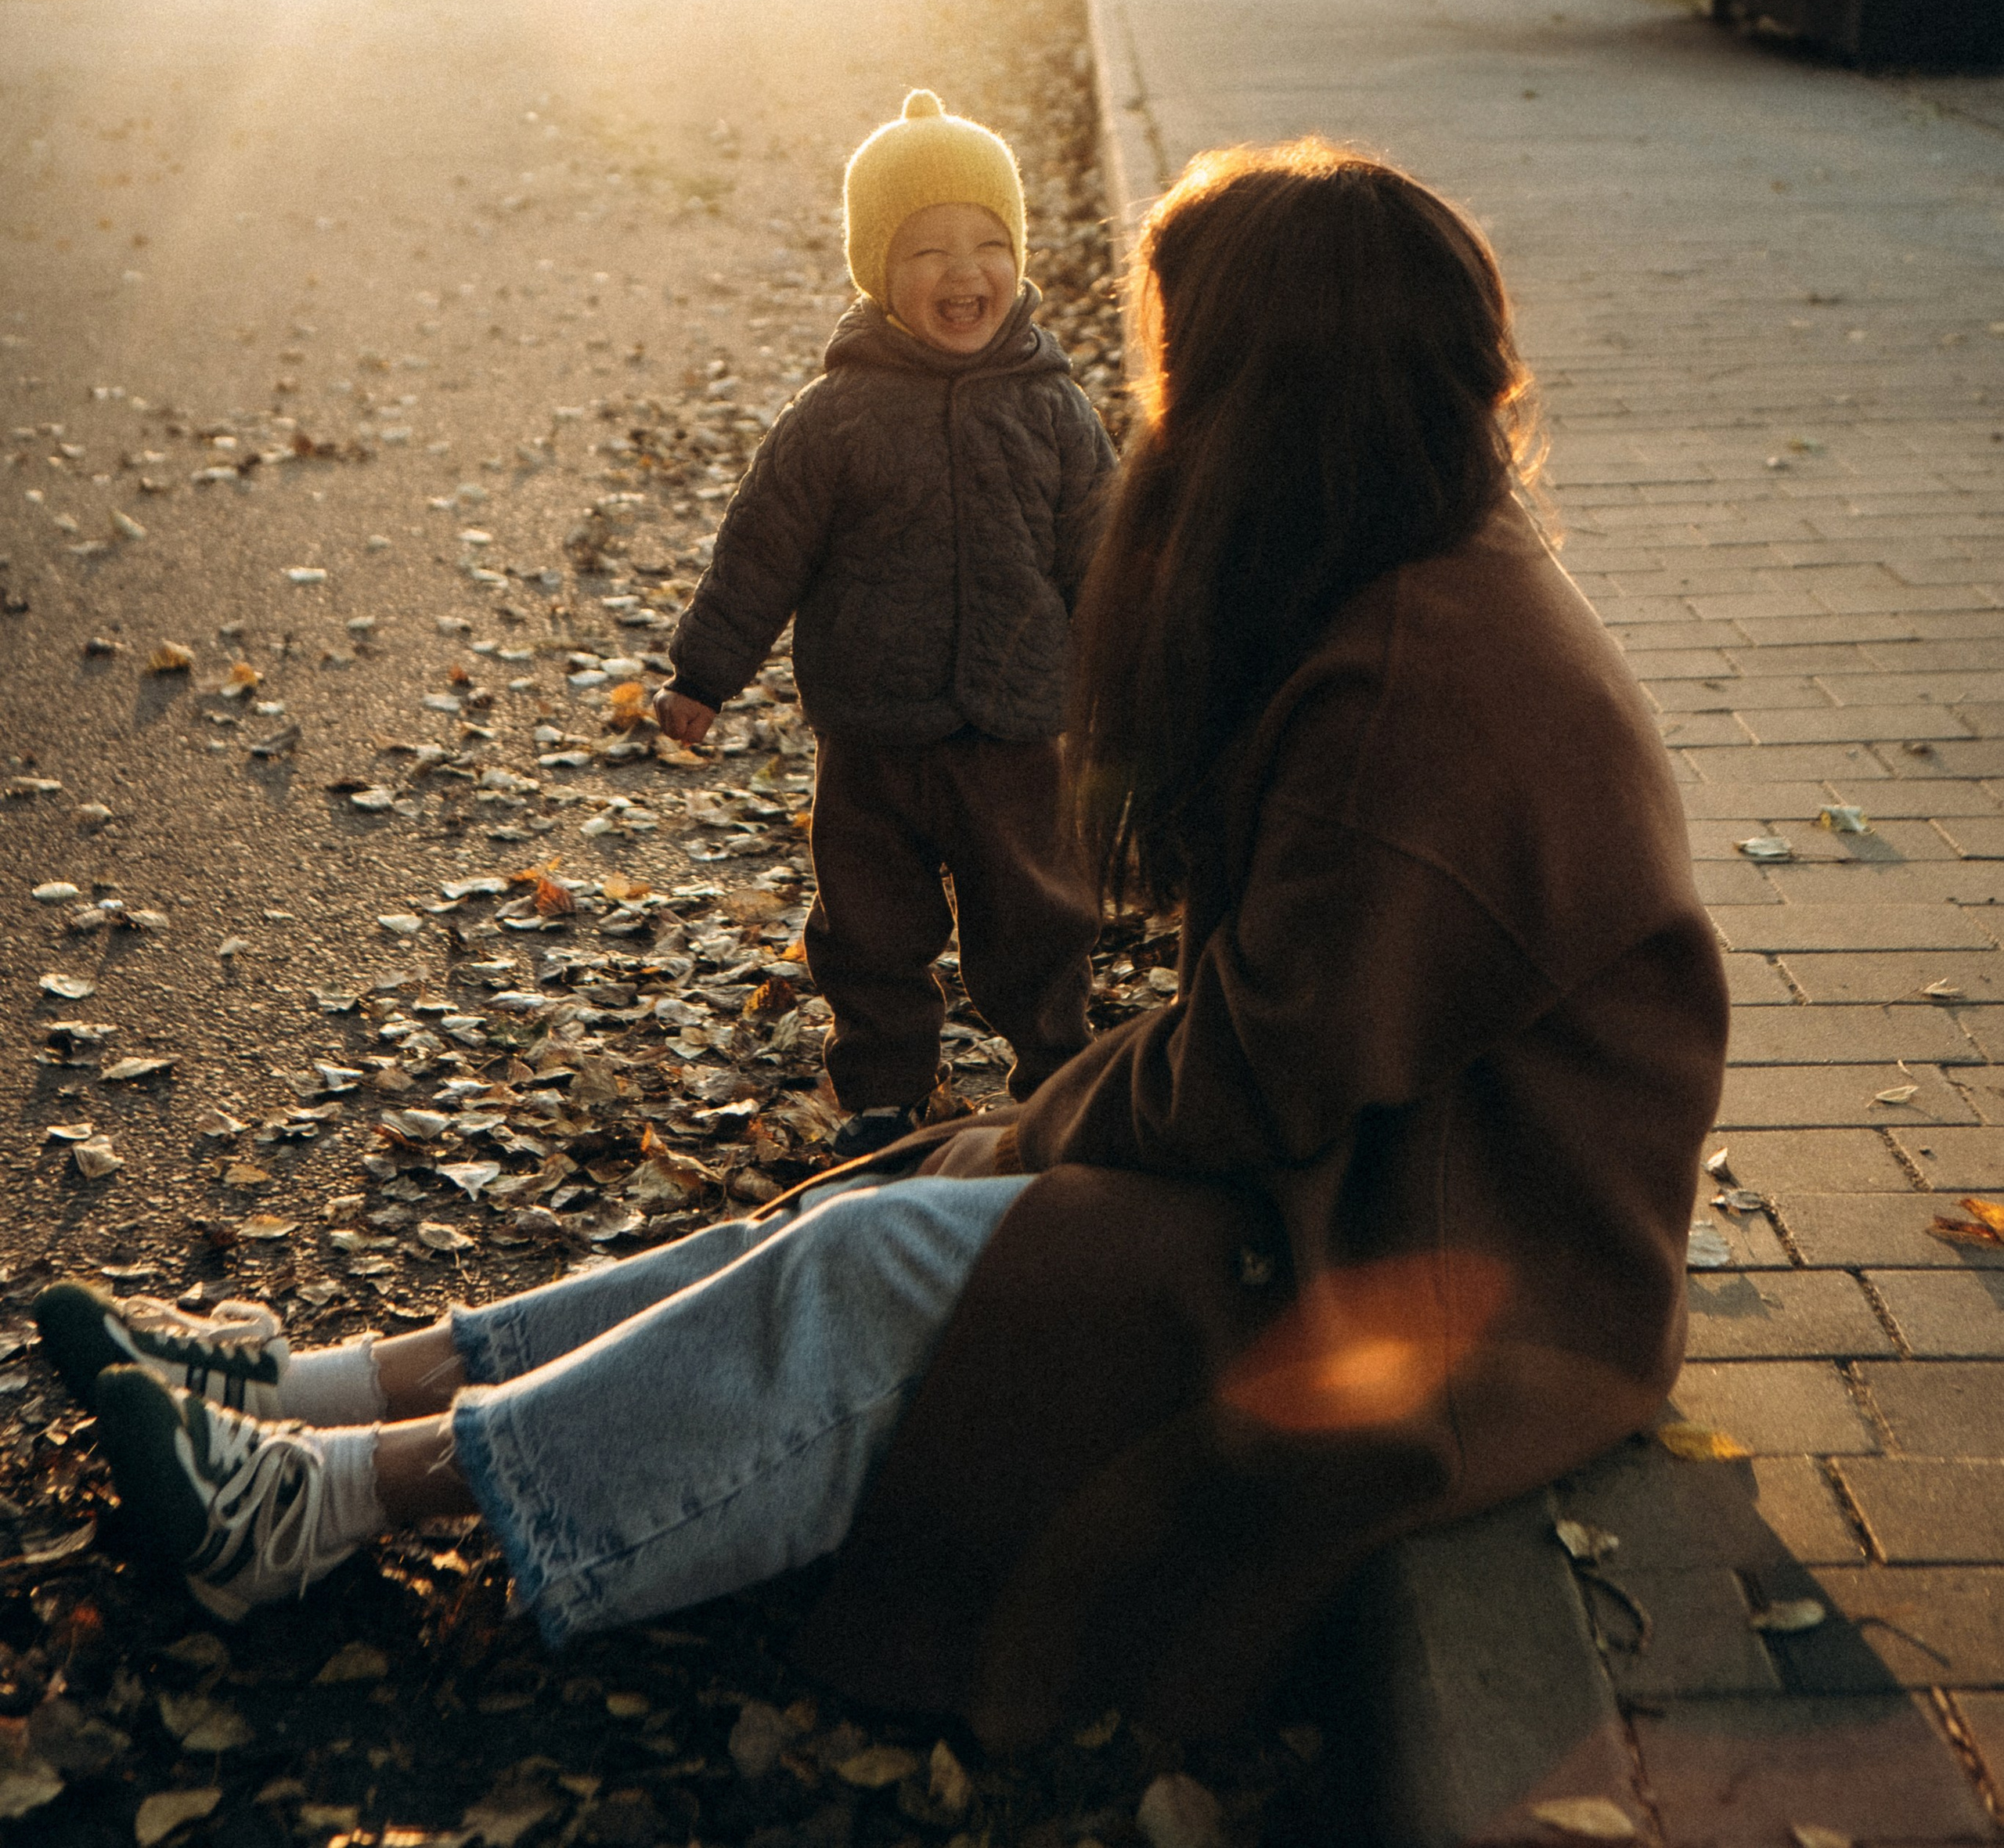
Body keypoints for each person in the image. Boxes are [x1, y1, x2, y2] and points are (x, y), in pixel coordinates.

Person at [43, 142, 1727, 1745]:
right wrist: (1005, 1142)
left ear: (1278, 393)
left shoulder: (1419, 683)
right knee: (884, 1200)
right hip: (1369, 1195)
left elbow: (1253, 1082)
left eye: (1186, 371)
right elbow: (1272, 1058)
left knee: (890, 1261)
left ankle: (321, 1506)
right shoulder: (1405, 569)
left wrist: (1022, 1140)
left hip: (1462, 1278)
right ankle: (316, 1391)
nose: (1162, 412)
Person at [658, 86, 1115, 1155]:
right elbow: (761, 550)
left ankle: (1052, 1065)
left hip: (1014, 725)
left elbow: (1104, 550)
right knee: (869, 925)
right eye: (929, 251)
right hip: (870, 733)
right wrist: (703, 675)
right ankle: (883, 1089)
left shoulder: (1053, 406)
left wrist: (1135, 672)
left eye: (990, 243)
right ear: (877, 270)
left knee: (1038, 911)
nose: (965, 273)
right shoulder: (837, 417)